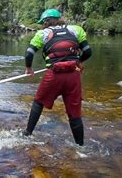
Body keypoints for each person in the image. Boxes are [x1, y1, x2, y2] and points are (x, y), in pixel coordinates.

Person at [22, 8, 92, 146]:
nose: (43, 24)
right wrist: (78, 63)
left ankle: (27, 134)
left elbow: (29, 53)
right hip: (74, 75)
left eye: (43, 22)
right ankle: (81, 147)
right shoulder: (76, 30)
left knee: (38, 102)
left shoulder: (42, 33)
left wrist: (29, 68)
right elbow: (88, 52)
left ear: (47, 21)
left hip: (54, 75)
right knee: (74, 113)